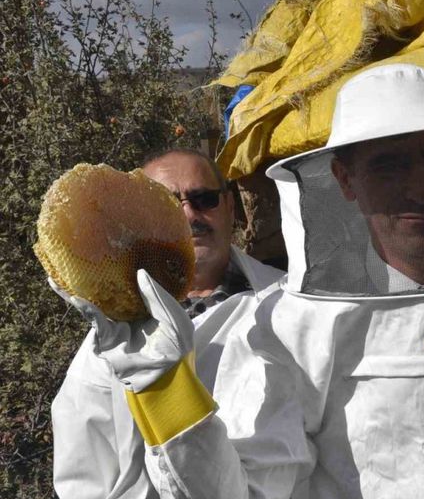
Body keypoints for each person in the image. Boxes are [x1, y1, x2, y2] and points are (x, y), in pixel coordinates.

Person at [53, 64, 424, 498]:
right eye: (391, 164)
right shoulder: (287, 324)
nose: (421, 188)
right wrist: (165, 388)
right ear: (343, 180)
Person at [51, 149, 285, 498]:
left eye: (204, 199)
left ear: (230, 209)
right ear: (138, 224)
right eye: (167, 203)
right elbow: (84, 480)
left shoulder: (288, 305)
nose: (190, 215)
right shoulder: (108, 344)